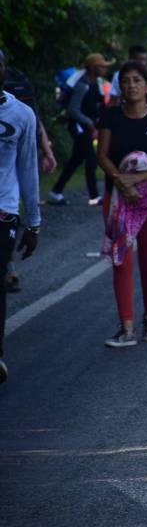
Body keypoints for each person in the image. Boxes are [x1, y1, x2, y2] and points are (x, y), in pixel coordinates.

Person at [96, 61, 147, 348]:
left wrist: (136, 180)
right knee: (121, 261)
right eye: (126, 81)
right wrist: (120, 181)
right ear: (121, 86)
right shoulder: (110, 117)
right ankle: (126, 327)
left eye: (137, 80)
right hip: (117, 198)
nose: (131, 86)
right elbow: (102, 155)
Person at [0, 48, 41, 384]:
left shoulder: (22, 114)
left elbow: (28, 168)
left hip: (5, 209)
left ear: (4, 70)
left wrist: (34, 222)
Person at [48, 53, 110, 206]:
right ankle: (94, 196)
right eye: (101, 66)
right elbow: (73, 110)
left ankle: (56, 191)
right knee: (91, 159)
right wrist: (89, 123)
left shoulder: (96, 83)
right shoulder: (82, 86)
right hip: (79, 127)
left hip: (88, 127)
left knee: (75, 160)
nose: (104, 69)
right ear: (93, 67)